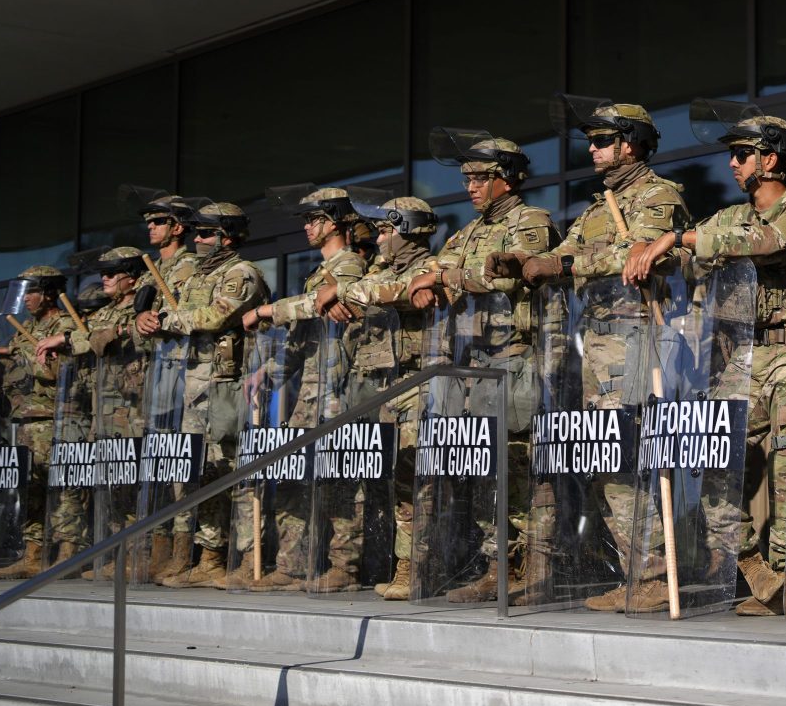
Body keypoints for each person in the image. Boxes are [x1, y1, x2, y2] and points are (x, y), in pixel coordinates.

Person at [488, 98, 690, 613]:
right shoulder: (600, 207)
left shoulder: (659, 196)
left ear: (630, 144)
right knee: (606, 462)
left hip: (636, 339)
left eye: (602, 141)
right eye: (593, 141)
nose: (593, 149)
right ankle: (637, 571)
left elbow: (637, 256)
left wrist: (558, 265)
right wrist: (525, 261)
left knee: (633, 460)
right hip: (595, 346)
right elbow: (562, 254)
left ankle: (655, 575)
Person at [625, 109, 786, 615]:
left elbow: (768, 243)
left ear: (771, 159)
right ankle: (752, 566)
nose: (732, 164)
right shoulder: (728, 218)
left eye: (741, 154)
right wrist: (648, 253)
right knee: (709, 456)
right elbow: (690, 257)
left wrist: (676, 238)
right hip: (738, 357)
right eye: (732, 155)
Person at [406, 130, 558, 603]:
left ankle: (535, 571)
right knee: (485, 471)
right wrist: (427, 283)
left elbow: (503, 274)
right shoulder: (467, 231)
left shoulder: (530, 220)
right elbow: (434, 271)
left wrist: (444, 277)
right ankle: (498, 569)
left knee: (522, 468)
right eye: (467, 178)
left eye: (480, 177)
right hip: (471, 366)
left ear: (507, 179)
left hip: (515, 360)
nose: (470, 186)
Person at [233, 188, 368, 592]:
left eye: (314, 219)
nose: (308, 227)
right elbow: (301, 336)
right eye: (307, 220)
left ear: (334, 222)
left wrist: (267, 310)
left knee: (341, 479)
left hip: (340, 388)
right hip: (309, 391)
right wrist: (269, 374)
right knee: (296, 477)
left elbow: (313, 305)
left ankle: (344, 567)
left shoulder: (351, 267)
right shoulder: (317, 272)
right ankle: (294, 565)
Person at [137, 203, 267, 589]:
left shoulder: (241, 273)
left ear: (227, 236)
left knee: (235, 471)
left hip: (227, 384)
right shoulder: (195, 276)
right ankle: (205, 556)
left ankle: (245, 557)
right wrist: (146, 321)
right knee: (198, 472)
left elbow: (214, 316)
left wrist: (165, 322)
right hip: (190, 387)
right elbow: (167, 316)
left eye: (206, 233)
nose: (197, 239)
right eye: (195, 232)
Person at [318, 194, 440, 600]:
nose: (381, 238)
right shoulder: (383, 269)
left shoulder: (432, 266)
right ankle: (406, 566)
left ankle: (422, 568)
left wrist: (354, 294)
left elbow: (381, 291)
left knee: (420, 478)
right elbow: (364, 291)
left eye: (387, 230)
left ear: (407, 231)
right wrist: (348, 294)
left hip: (425, 384)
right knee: (402, 482)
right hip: (389, 386)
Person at [34, 248, 150, 580]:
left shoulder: (141, 306)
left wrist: (72, 337)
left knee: (130, 484)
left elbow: (102, 338)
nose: (106, 278)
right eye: (103, 272)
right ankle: (115, 552)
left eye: (113, 272)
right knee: (110, 486)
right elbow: (87, 339)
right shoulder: (107, 312)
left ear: (131, 276)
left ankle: (137, 553)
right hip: (102, 409)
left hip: (133, 407)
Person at [131, 194, 201, 582]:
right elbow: (136, 325)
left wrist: (159, 319)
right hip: (157, 377)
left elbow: (190, 318)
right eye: (150, 222)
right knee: (158, 463)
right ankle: (156, 544)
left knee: (182, 466)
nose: (151, 227)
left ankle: (182, 547)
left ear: (178, 227)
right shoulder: (148, 273)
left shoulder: (191, 266)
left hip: (186, 376)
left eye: (159, 221)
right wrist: (139, 321)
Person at [0, 266, 71, 579]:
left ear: (49, 293)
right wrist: (7, 353)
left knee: (57, 487)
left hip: (51, 418)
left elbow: (58, 371)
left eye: (33, 292)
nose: (27, 300)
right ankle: (33, 552)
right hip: (24, 418)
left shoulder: (64, 324)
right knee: (30, 487)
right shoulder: (27, 326)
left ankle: (62, 551)